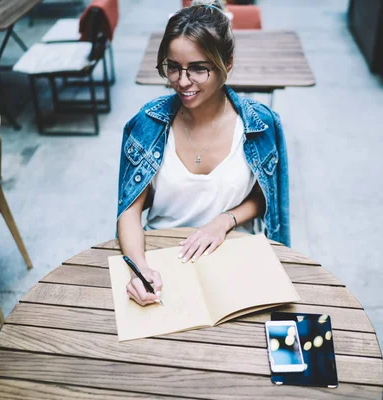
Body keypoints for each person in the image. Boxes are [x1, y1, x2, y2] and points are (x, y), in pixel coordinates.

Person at [117, 0, 290, 306]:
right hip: (162, 264)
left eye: (198, 68)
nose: (183, 82)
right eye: (173, 67)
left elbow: (268, 198)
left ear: (228, 62)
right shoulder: (146, 125)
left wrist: (225, 220)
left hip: (237, 259)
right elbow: (129, 210)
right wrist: (139, 268)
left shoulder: (261, 125)